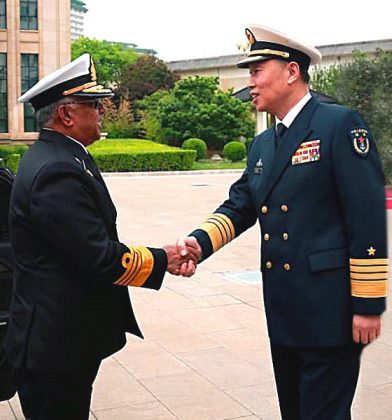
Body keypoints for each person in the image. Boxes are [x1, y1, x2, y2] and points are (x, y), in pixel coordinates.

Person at [177, 24, 388, 420]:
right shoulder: (265, 142)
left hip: (331, 308)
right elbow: (241, 205)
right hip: (285, 305)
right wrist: (197, 244)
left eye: (257, 71)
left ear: (291, 72)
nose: (250, 82)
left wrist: (369, 304)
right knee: (294, 411)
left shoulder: (338, 125)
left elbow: (367, 213)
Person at [4, 53, 196, 420]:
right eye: (94, 105)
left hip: (61, 339)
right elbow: (97, 256)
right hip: (55, 347)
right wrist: (162, 259)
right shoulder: (56, 170)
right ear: (67, 114)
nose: (102, 113)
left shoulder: (60, 156)